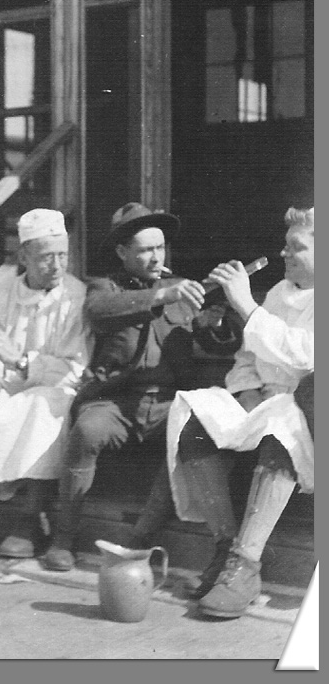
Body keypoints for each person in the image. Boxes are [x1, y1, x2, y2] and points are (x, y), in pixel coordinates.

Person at [42, 202, 242, 572]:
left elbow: (220, 345)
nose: (155, 257)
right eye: (145, 249)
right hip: (113, 404)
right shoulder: (103, 287)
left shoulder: (180, 290)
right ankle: (63, 538)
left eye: (160, 248)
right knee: (86, 431)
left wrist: (214, 322)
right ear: (122, 252)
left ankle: (141, 539)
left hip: (167, 404)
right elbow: (100, 310)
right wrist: (159, 297)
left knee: (197, 434)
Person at [167, 206, 314, 618]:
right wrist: (246, 390)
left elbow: (305, 357)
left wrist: (247, 307)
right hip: (263, 398)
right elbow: (249, 358)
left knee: (281, 430)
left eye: (296, 247)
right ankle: (226, 549)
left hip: (303, 406)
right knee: (194, 419)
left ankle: (246, 566)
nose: (284, 255)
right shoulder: (280, 293)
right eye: (285, 246)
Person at [0, 209, 92, 559]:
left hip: (51, 386)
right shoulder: (2, 292)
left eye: (62, 255)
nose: (56, 265)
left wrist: (22, 362)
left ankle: (30, 518)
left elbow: (77, 367)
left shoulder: (76, 296)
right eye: (45, 257)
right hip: (8, 382)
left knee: (42, 407)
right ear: (24, 256)